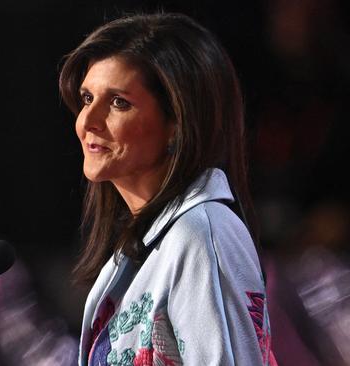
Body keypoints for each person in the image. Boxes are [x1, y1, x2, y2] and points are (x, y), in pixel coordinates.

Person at [59, 13, 275, 365]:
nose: (88, 121)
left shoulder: (201, 234)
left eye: (118, 102)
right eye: (86, 98)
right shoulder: (148, 244)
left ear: (177, 124)